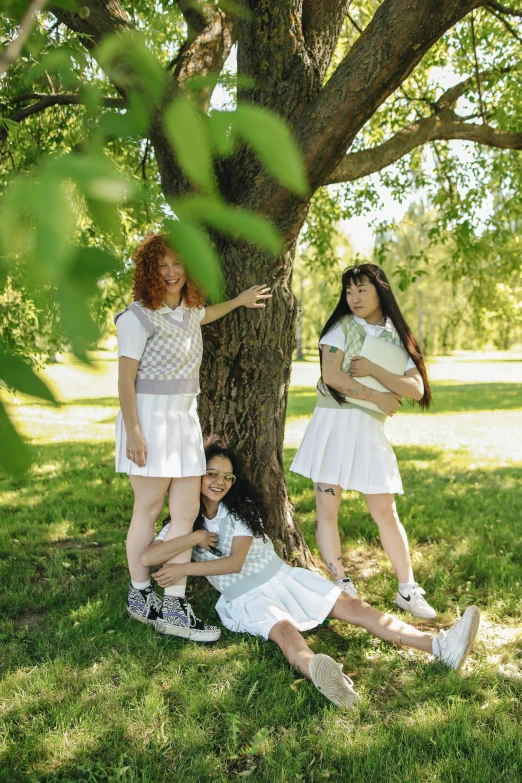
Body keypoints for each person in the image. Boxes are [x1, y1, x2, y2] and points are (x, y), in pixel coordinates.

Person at [142, 438, 480, 709]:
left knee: (356, 609)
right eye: (212, 474)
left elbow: (235, 562)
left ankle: (439, 646)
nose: (220, 482)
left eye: (227, 477)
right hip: (246, 598)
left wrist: (185, 566)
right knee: (286, 633)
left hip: (285, 578)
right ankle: (323, 675)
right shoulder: (183, 523)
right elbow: (148, 556)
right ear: (196, 476)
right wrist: (194, 537)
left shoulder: (240, 510)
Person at [115, 233, 271, 641]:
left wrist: (239, 301)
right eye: (161, 266)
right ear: (150, 271)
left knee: (185, 513)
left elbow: (206, 314)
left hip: (184, 423)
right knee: (148, 509)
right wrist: (133, 431)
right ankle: (139, 594)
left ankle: (174, 604)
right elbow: (125, 380)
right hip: (147, 421)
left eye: (177, 265)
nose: (170, 273)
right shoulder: (136, 317)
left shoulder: (188, 311)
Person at [290, 263, 436, 618]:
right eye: (349, 291)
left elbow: (416, 389)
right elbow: (332, 376)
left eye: (361, 290)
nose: (354, 298)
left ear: (380, 290)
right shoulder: (340, 328)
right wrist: (377, 395)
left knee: (385, 511)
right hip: (332, 427)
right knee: (328, 509)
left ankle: (407, 589)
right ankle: (340, 581)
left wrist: (374, 370)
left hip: (369, 433)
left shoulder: (397, 335)